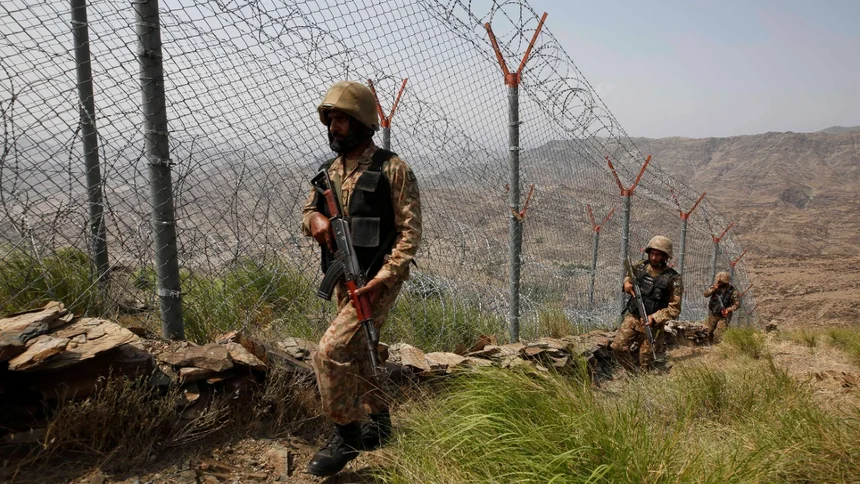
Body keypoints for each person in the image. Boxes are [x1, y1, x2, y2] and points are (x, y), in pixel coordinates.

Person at [301, 80, 422, 477]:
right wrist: (314, 219)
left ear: (362, 123)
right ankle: (381, 425)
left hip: (376, 281)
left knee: (331, 351)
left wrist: (386, 277)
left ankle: (347, 434)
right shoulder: (327, 172)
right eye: (331, 119)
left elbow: (409, 232)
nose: (333, 127)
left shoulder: (392, 168)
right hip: (342, 277)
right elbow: (308, 212)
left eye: (342, 120)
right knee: (363, 352)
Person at [611, 235, 683, 372]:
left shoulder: (673, 279)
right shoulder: (640, 267)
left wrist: (655, 317)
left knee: (646, 360)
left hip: (653, 325)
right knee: (617, 347)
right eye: (652, 254)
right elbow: (629, 274)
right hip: (633, 316)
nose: (654, 258)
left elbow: (675, 308)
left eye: (658, 255)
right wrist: (626, 283)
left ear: (666, 257)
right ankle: (632, 372)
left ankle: (643, 380)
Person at [703, 271, 740, 344]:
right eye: (718, 281)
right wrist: (713, 289)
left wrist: (728, 310)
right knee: (708, 331)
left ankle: (716, 348)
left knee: (718, 334)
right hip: (714, 313)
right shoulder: (715, 287)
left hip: (724, 316)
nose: (719, 283)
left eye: (721, 282)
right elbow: (705, 294)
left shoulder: (733, 291)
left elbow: (737, 304)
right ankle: (708, 345)